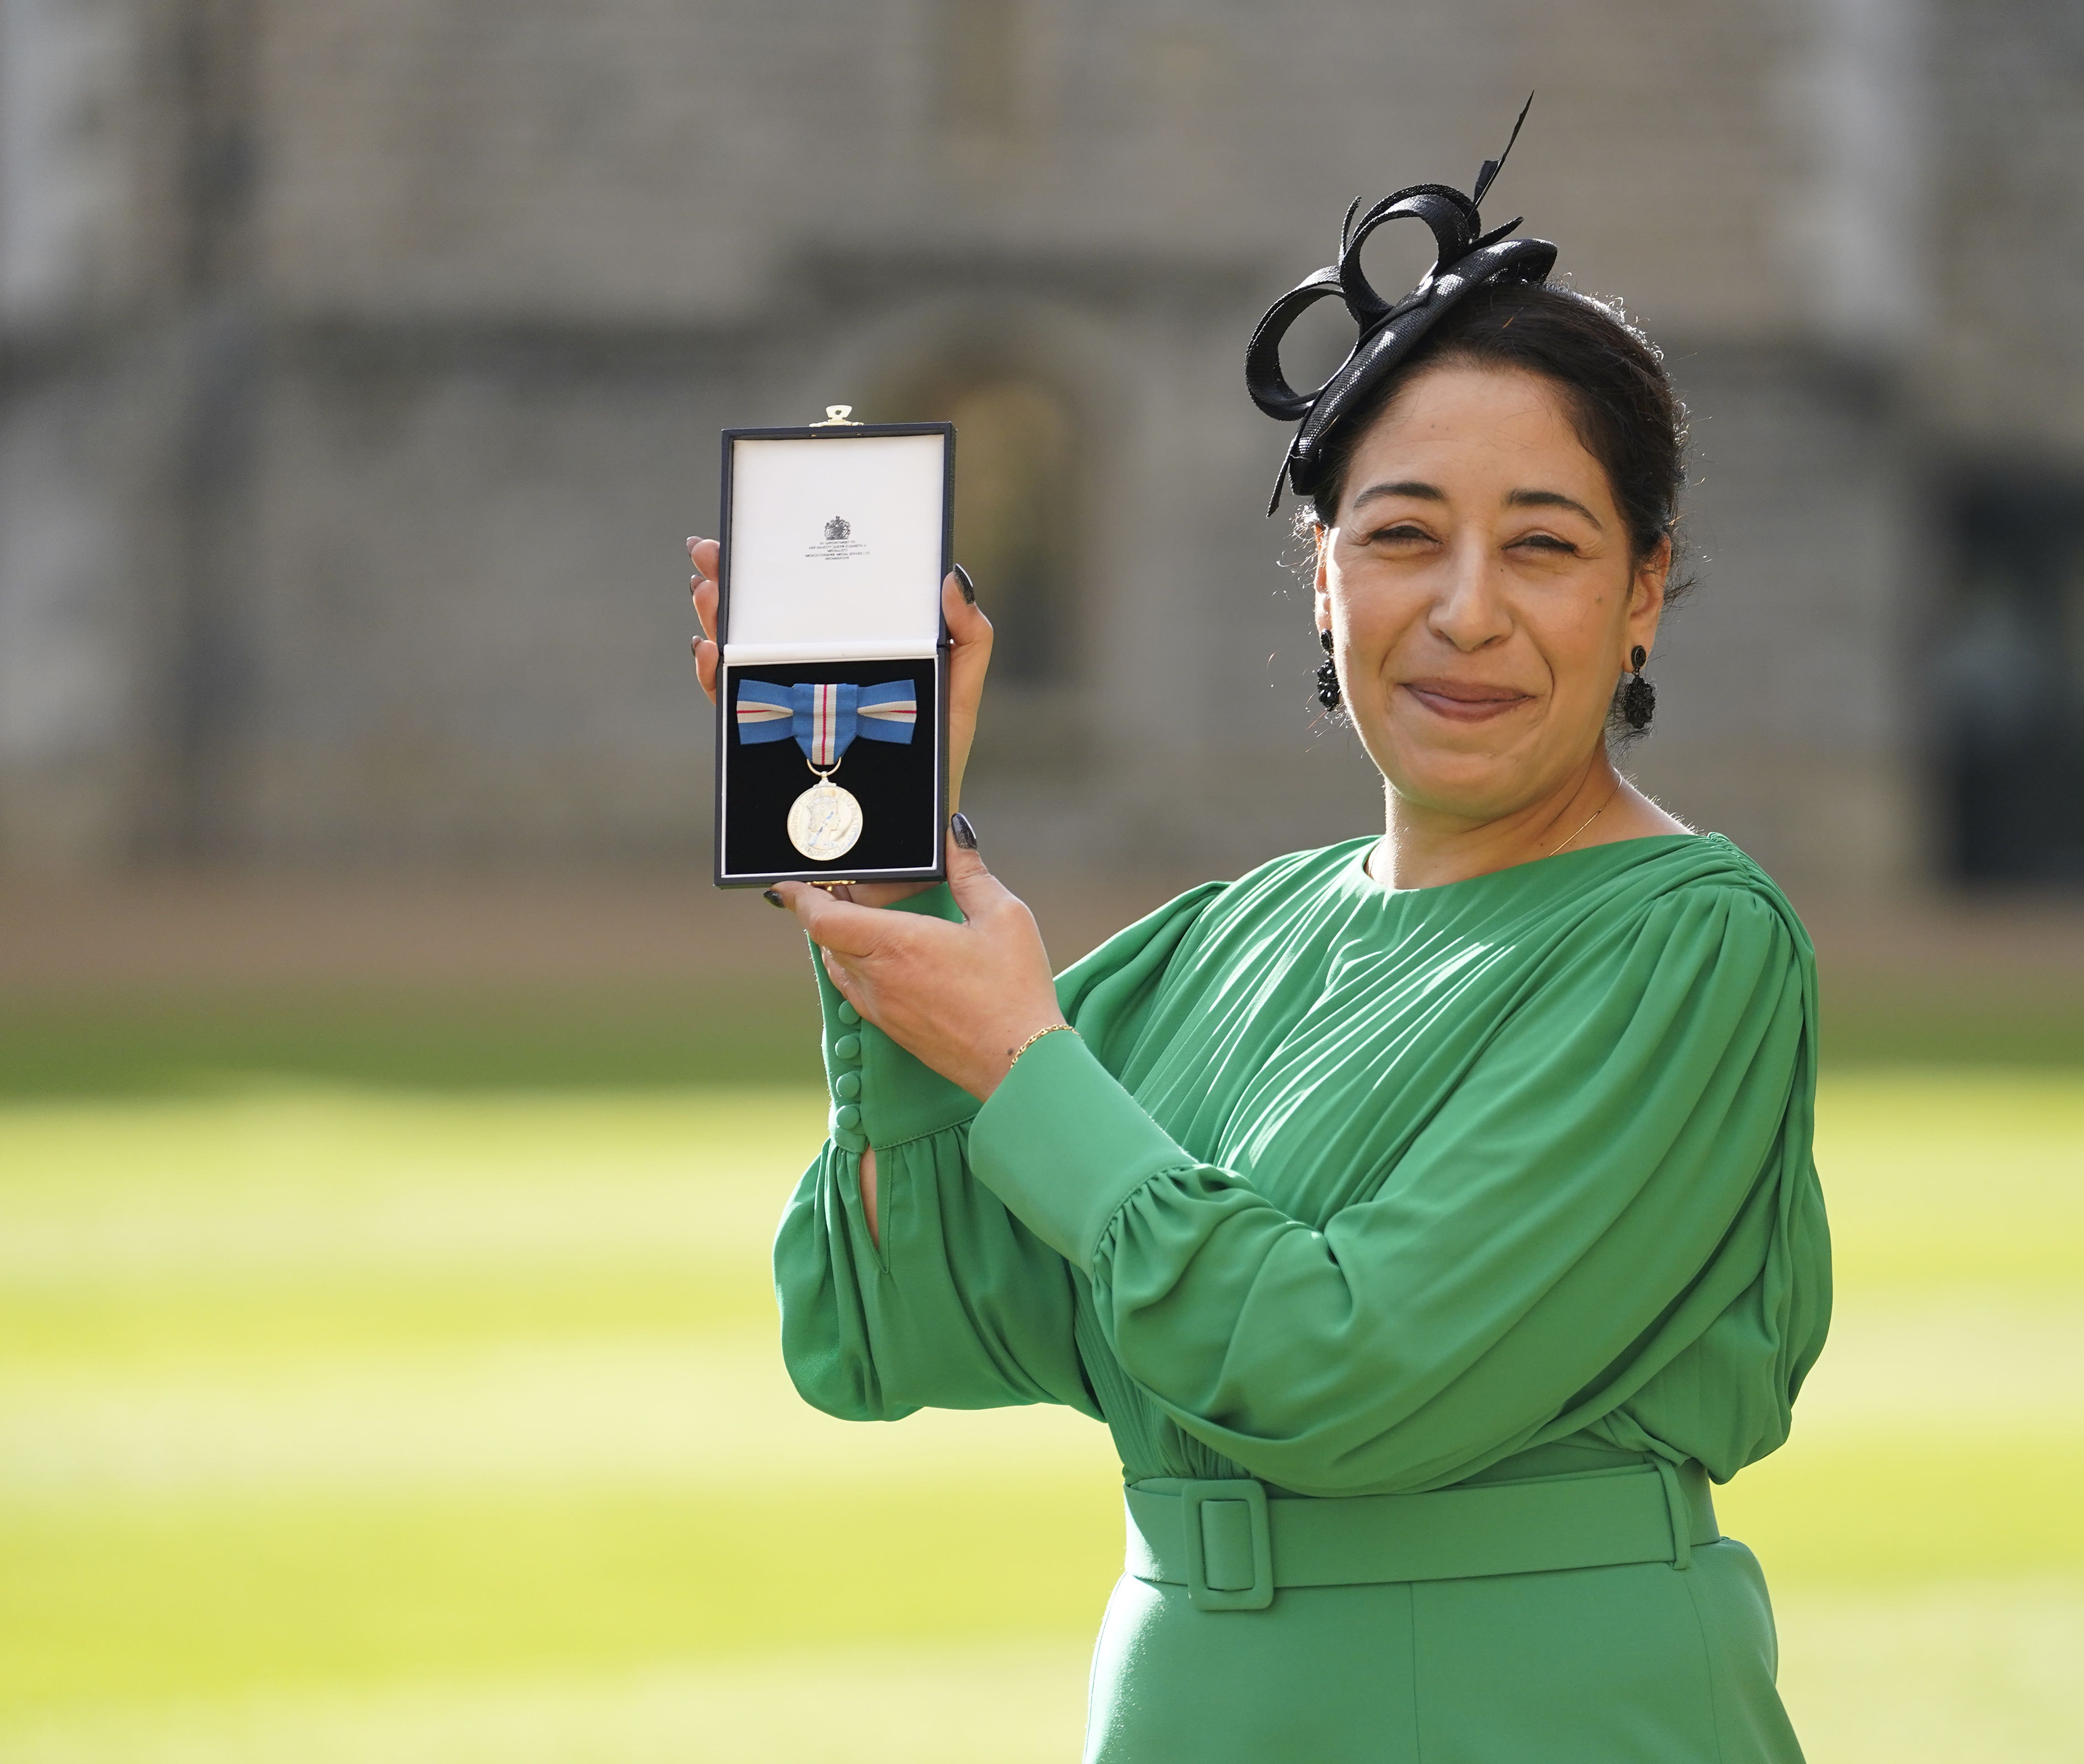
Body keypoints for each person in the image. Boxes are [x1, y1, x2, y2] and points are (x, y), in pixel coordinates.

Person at [684, 127, 1831, 1764]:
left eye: (1548, 546)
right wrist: (891, 884)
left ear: (1644, 591)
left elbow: (1344, 1374)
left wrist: (1024, 1059)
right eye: (1403, 533)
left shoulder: (1689, 944)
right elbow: (885, 1332)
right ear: (1319, 578)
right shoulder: (1222, 946)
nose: (1466, 611)